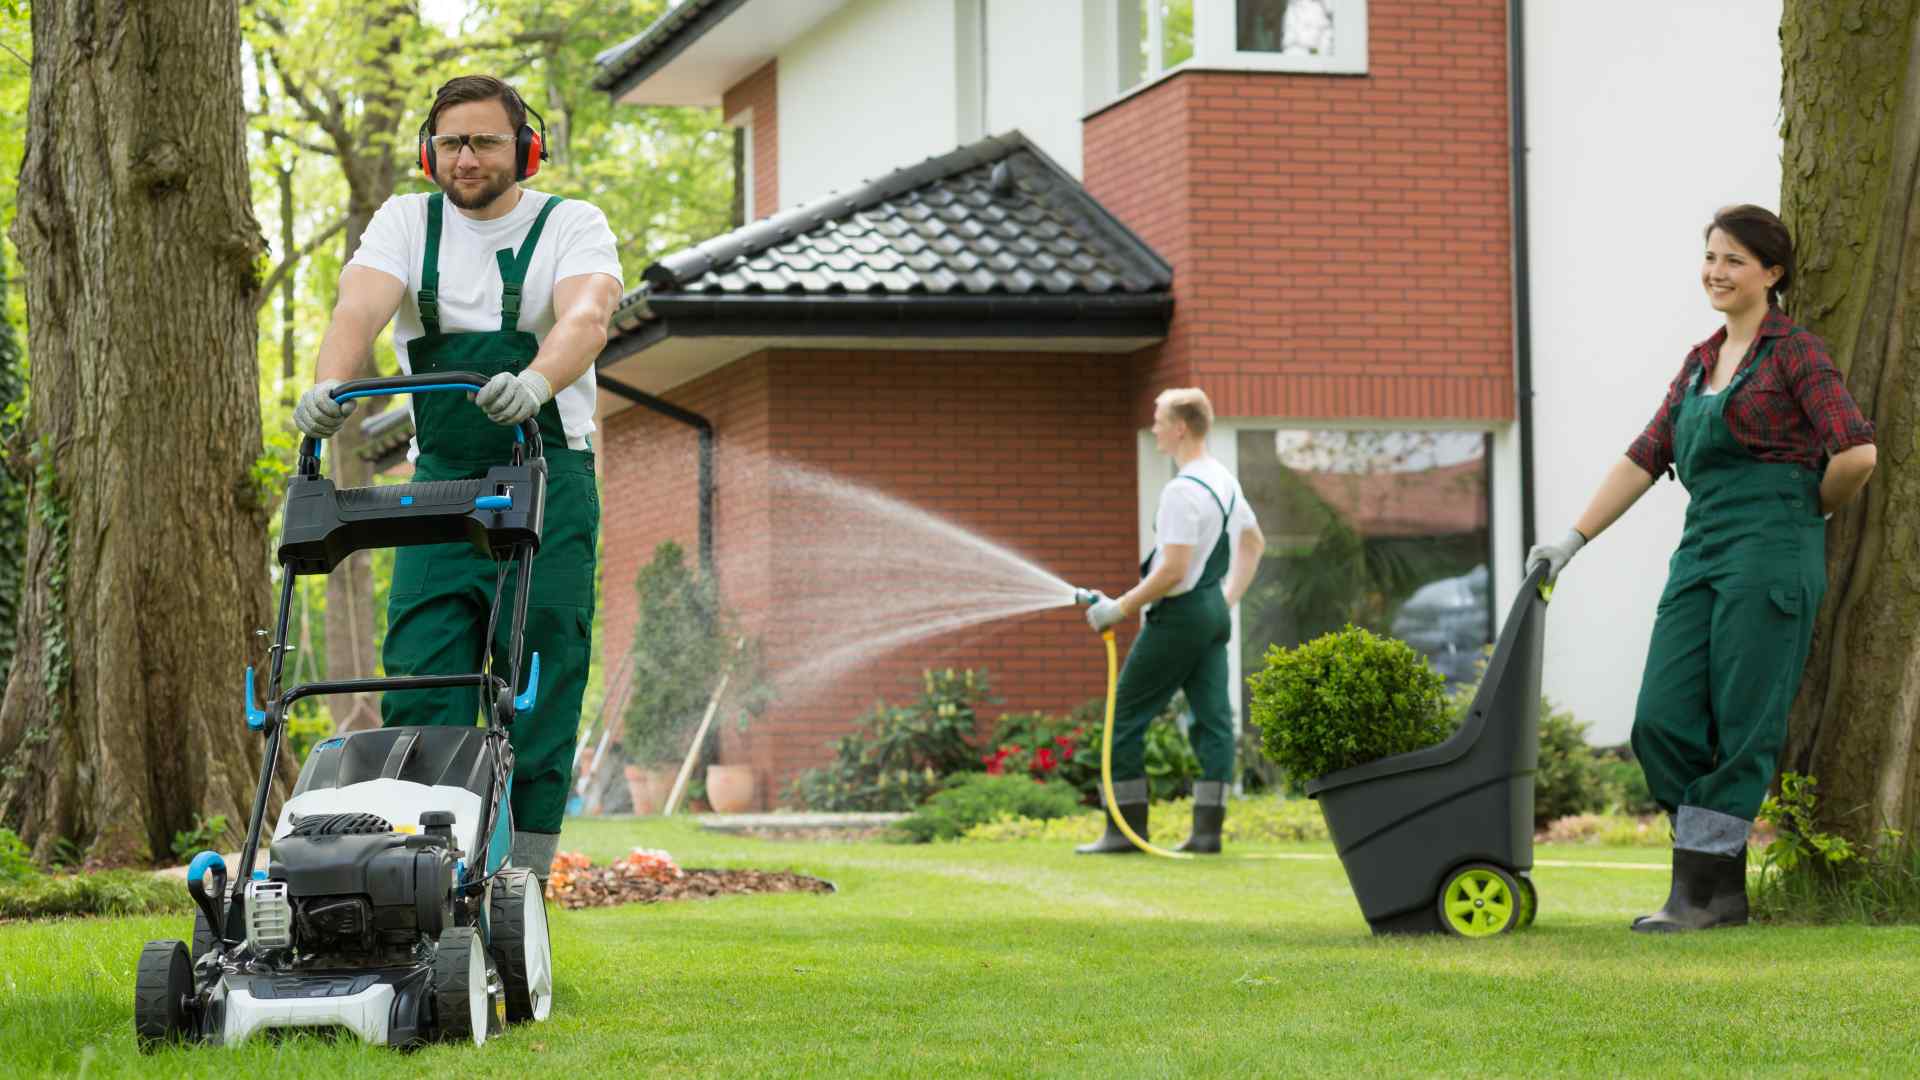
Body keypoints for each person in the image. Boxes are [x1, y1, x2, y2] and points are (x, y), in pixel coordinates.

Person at [292, 74, 624, 883]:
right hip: (439, 485)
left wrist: (540, 381)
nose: (465, 156)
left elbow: (588, 314)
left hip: (551, 478)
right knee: (422, 674)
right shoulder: (408, 220)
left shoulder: (571, 224)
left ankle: (525, 886)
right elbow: (359, 305)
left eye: (483, 141)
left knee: (538, 679)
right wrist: (331, 383)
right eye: (450, 142)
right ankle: (421, 872)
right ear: (427, 151)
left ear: (526, 151)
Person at [1527, 204, 1876, 932]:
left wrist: (1804, 509)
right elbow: (1647, 453)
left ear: (1771, 274)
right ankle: (1713, 880)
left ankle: (1704, 896)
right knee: (1661, 717)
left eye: (1735, 261)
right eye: (1711, 257)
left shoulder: (1795, 354)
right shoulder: (1699, 360)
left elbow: (1856, 451)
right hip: (1703, 547)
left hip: (1772, 547)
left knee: (1747, 719)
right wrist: (1571, 539)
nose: (1716, 272)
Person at [1081, 388, 1266, 854]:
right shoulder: (1223, 480)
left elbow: (1173, 570)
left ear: (1181, 427)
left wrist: (1118, 607)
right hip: (1210, 612)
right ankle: (1208, 834)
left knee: (1124, 715)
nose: (1156, 427)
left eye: (1160, 420)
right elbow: (1253, 544)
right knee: (1214, 721)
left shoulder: (1183, 490)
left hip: (1181, 614)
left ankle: (1125, 832)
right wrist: (1226, 601)